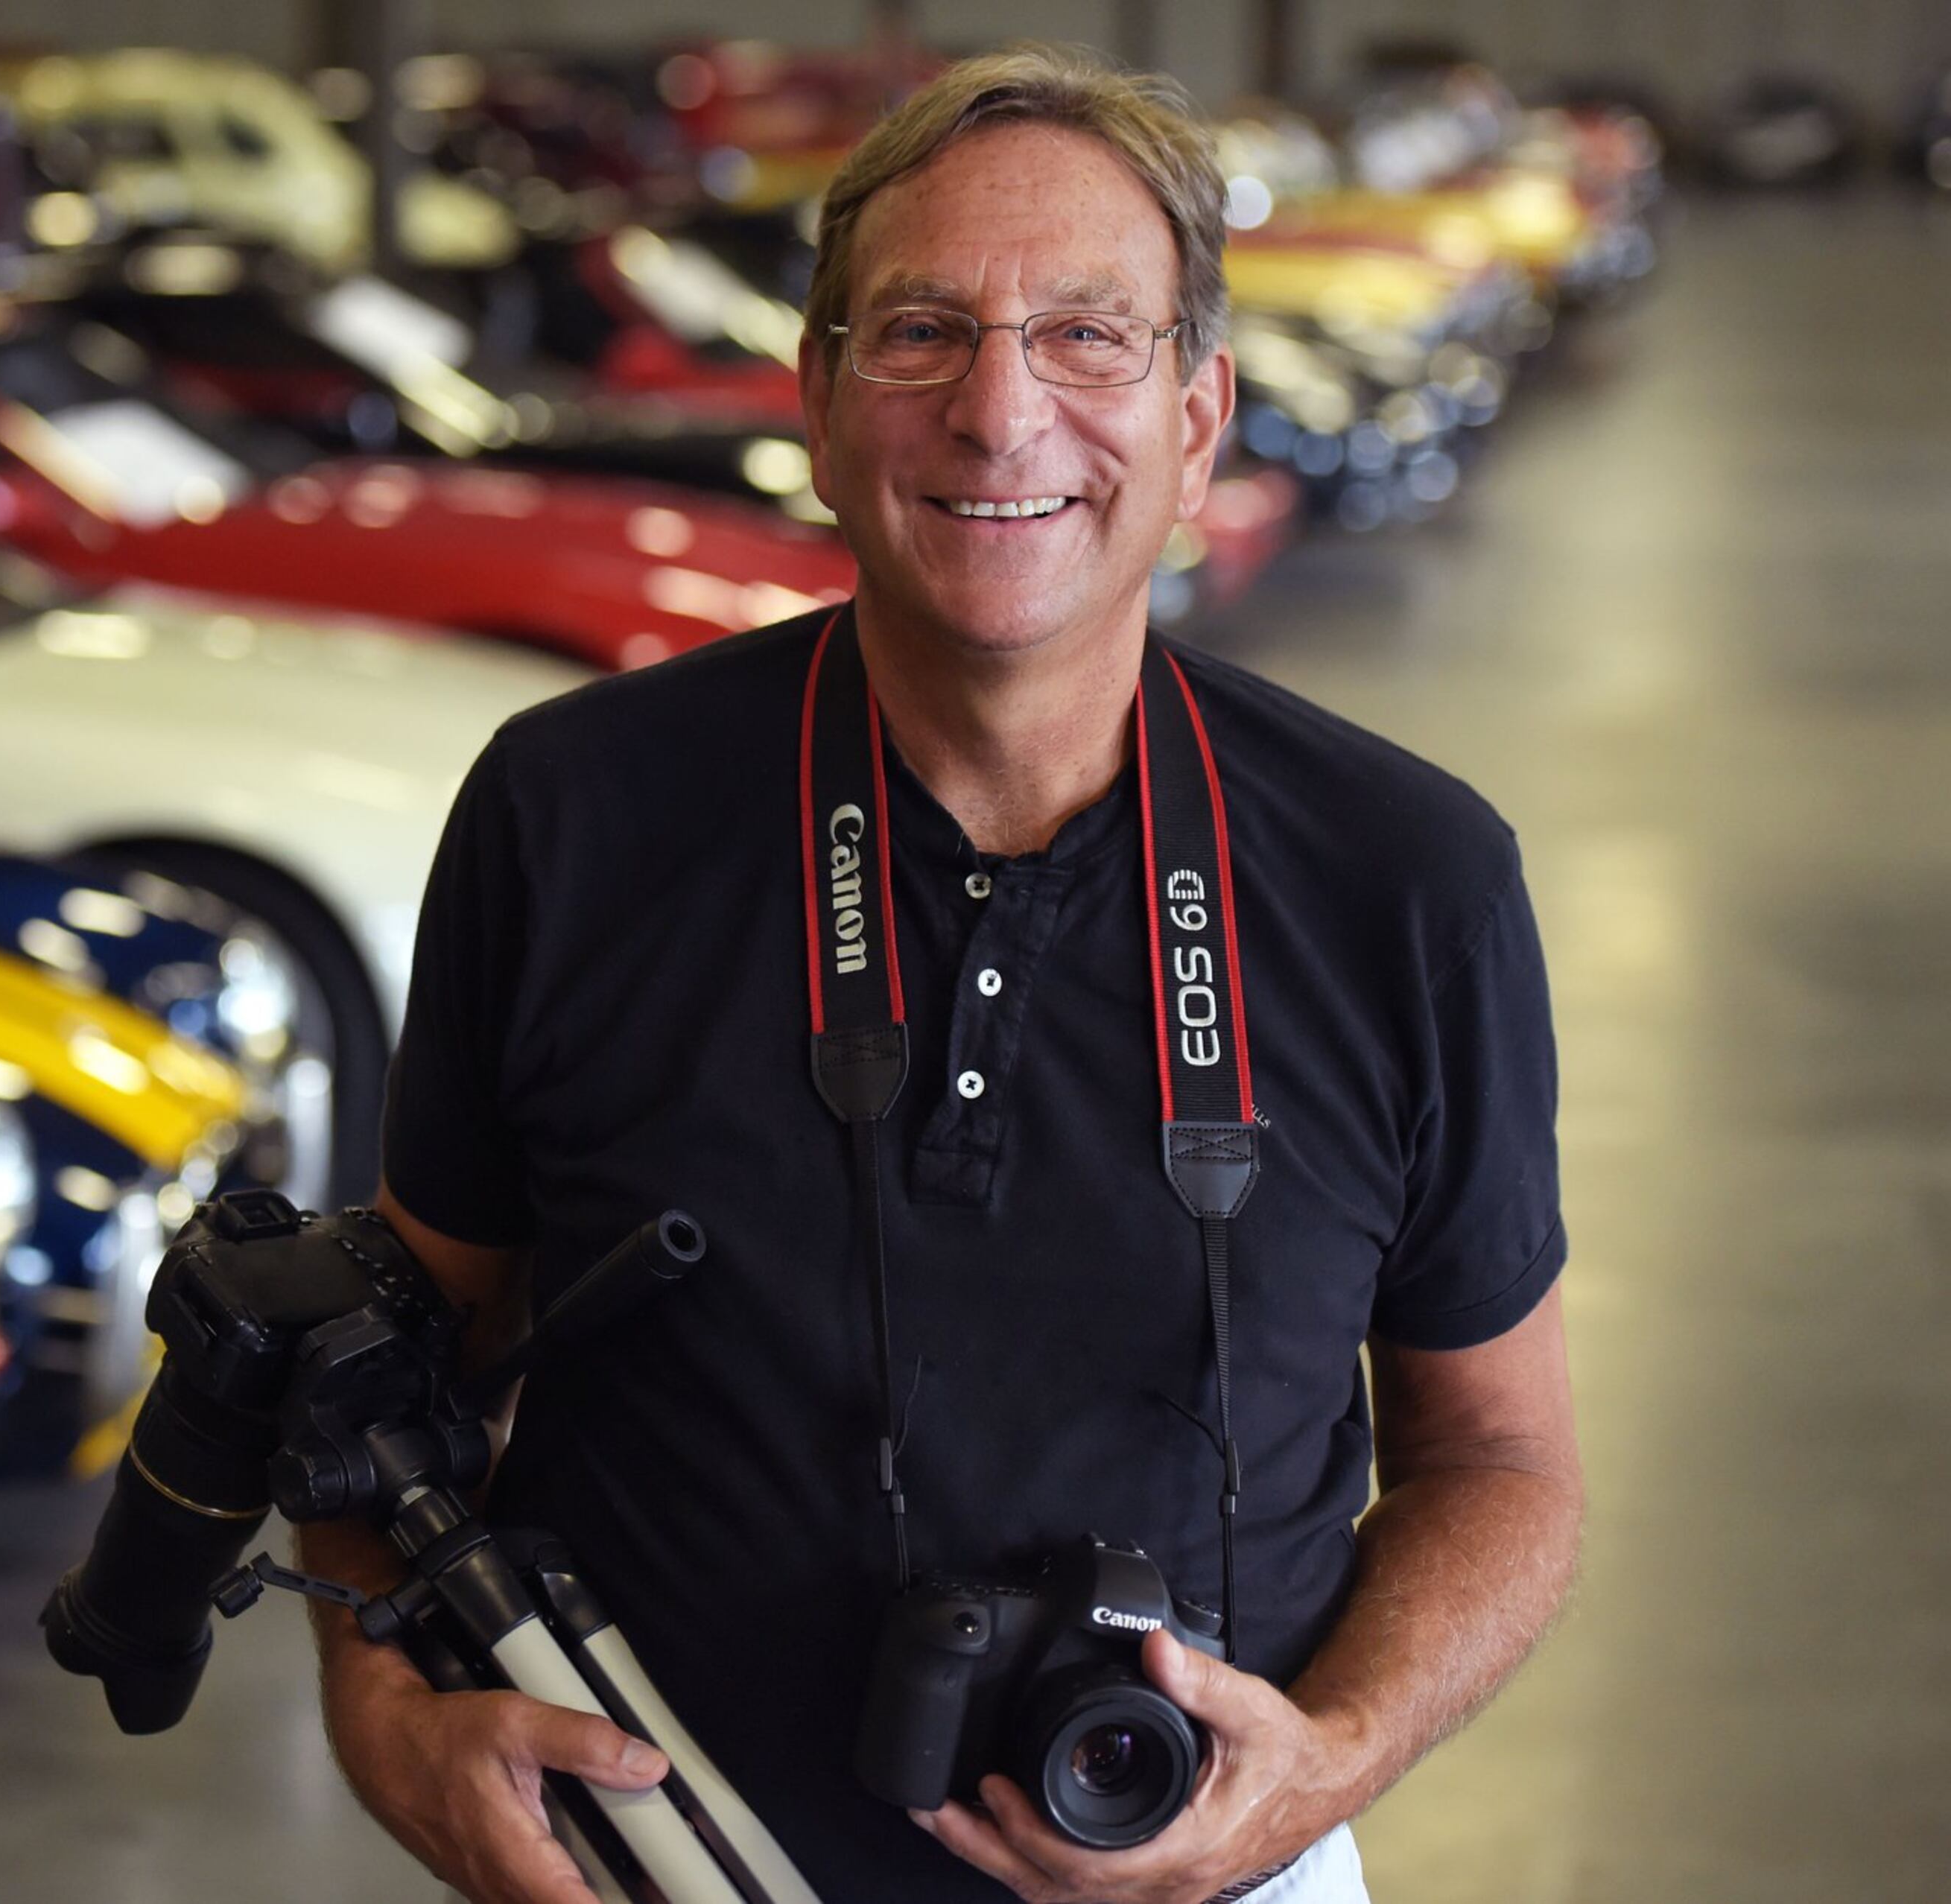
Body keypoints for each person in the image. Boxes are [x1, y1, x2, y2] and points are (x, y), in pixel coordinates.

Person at [299, 45, 1583, 1904]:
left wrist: (1329, 1765)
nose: (1001, 415)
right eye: (920, 332)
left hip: (1220, 1873)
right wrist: (384, 1716)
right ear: (820, 404)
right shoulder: (572, 816)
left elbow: (1503, 1466)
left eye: (1090, 335)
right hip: (650, 1859)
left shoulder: (1410, 882)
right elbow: (376, 1368)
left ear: (1202, 415)